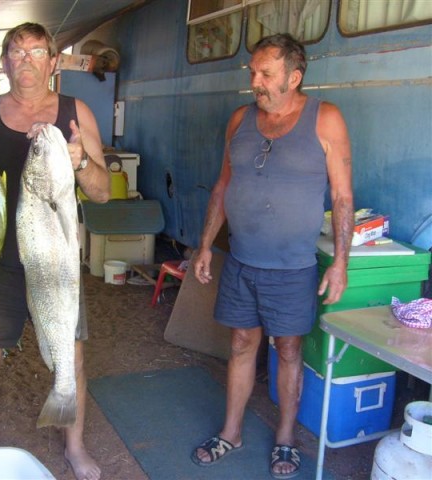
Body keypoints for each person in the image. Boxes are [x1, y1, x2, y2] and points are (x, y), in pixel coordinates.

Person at [0, 22, 110, 480]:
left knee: (70, 357)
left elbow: (104, 191)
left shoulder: (75, 113)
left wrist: (83, 162)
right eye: (16, 51)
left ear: (54, 62)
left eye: (37, 51)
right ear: (4, 62)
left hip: (55, 261)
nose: (26, 59)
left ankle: (75, 447)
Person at [191, 33, 353, 479]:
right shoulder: (240, 119)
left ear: (294, 76)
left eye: (266, 74)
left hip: (292, 267)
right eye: (253, 73)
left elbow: (341, 196)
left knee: (288, 350)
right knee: (241, 344)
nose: (255, 82)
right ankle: (231, 431)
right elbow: (223, 185)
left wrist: (341, 261)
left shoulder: (326, 119)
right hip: (242, 260)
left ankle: (285, 440)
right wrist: (206, 244)